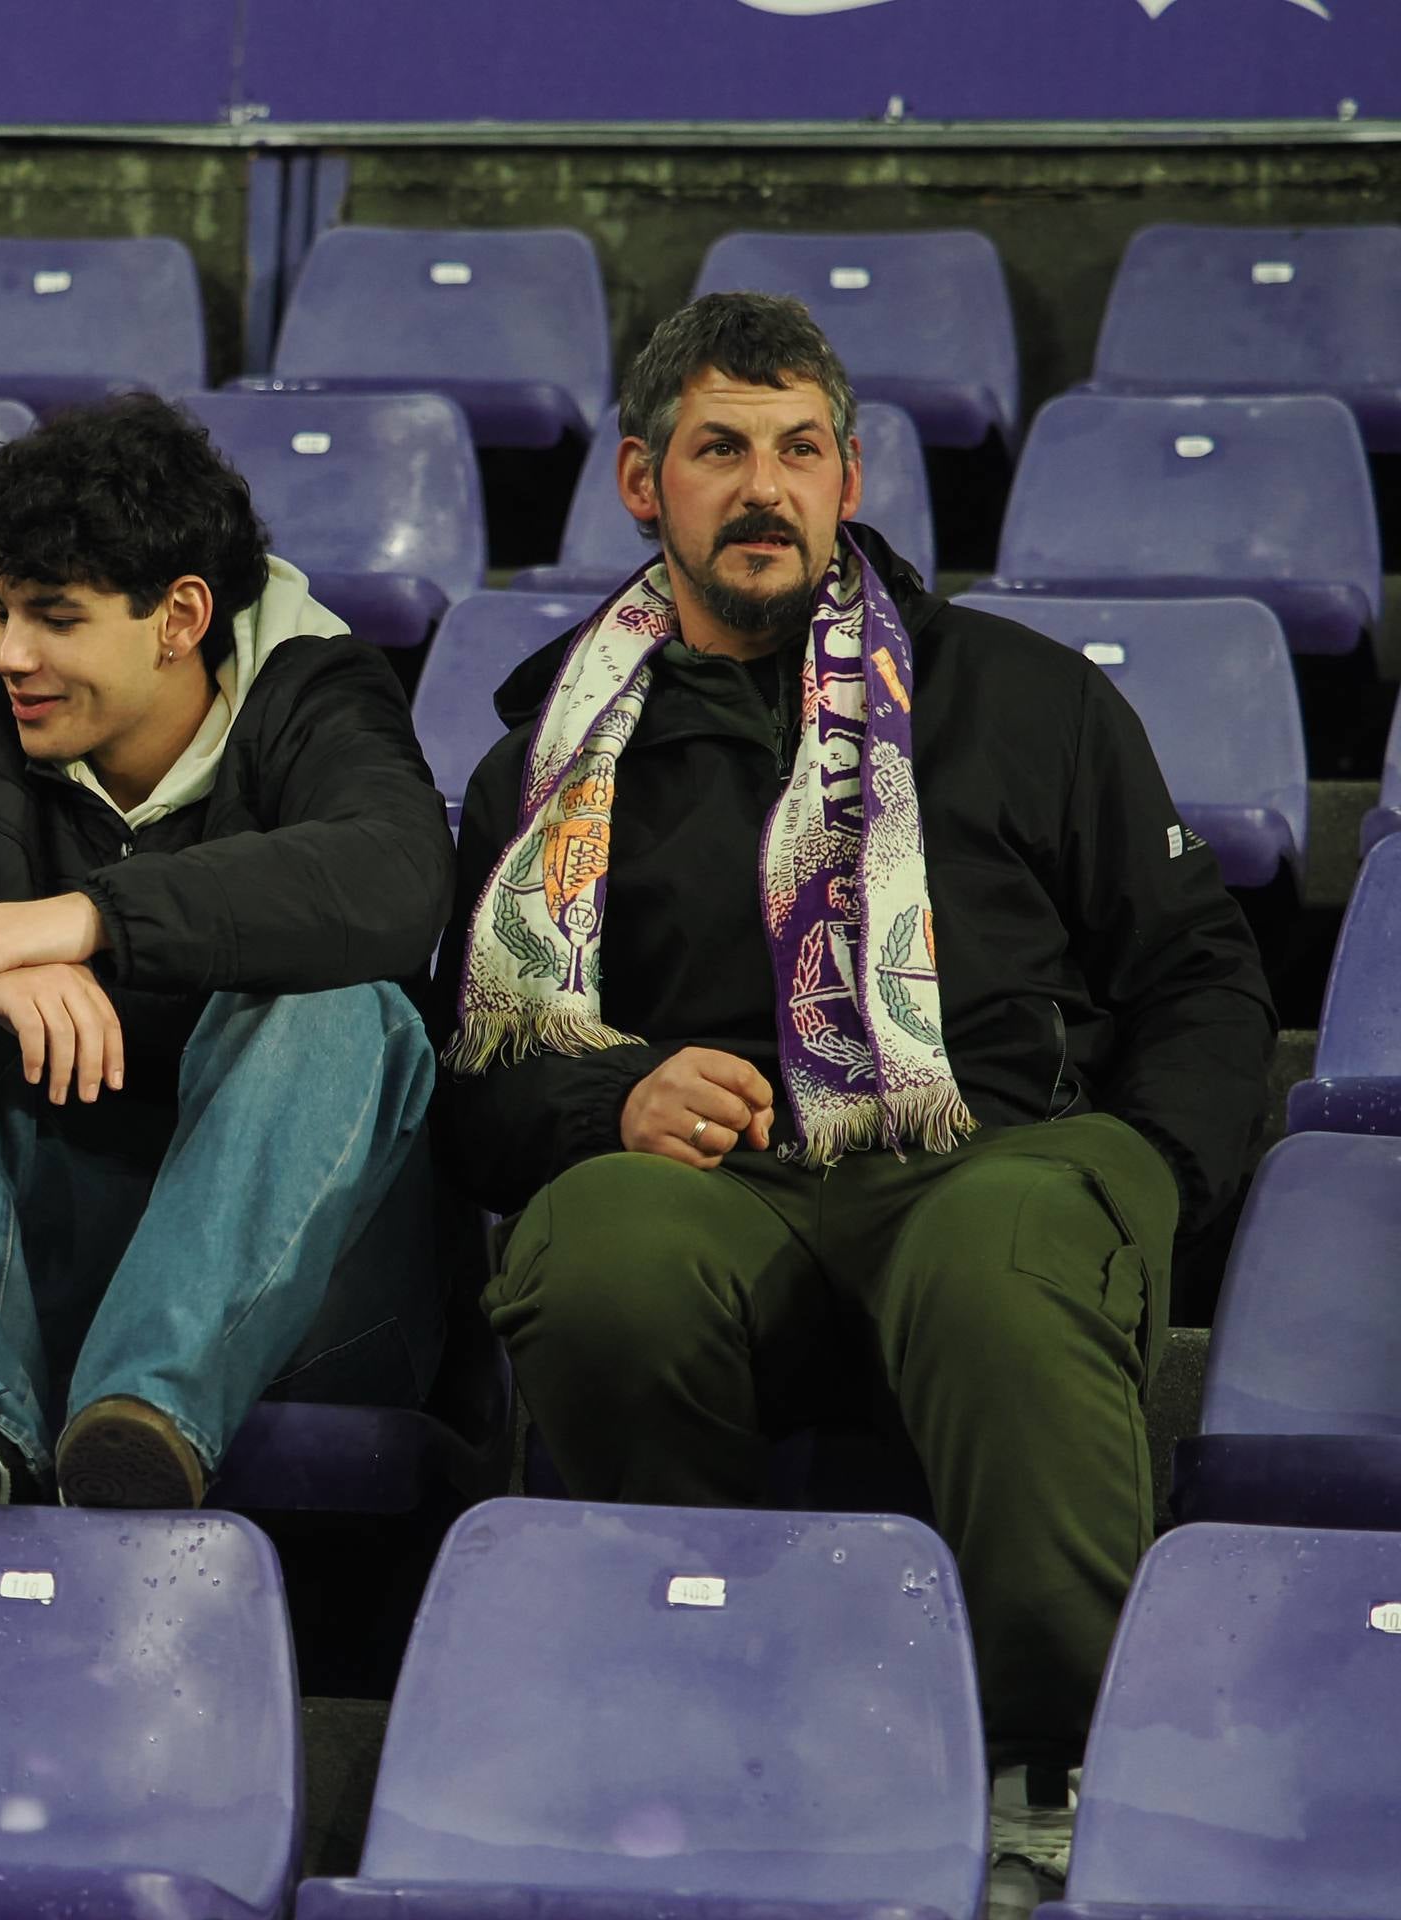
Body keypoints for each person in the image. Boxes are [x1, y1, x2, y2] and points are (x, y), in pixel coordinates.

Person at [438, 293, 1273, 1898]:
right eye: (720, 451)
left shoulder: (1023, 698)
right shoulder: (544, 768)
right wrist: (610, 1102)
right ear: (642, 482)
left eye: (800, 449)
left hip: (999, 1158)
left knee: (996, 1246)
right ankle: (693, 1739)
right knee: (598, 1249)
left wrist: (1153, 1179)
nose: (765, 489)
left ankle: (1054, 1774)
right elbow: (475, 1079)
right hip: (723, 1198)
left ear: (851, 474)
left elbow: (1200, 976)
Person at [0, 392, 457, 1511]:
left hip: (301, 1297)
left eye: (55, 618)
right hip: (38, 1270)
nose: (11, 653)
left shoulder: (320, 695)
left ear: (179, 616)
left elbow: (396, 876)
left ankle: (150, 1415)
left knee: (342, 1007)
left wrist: (85, 920)